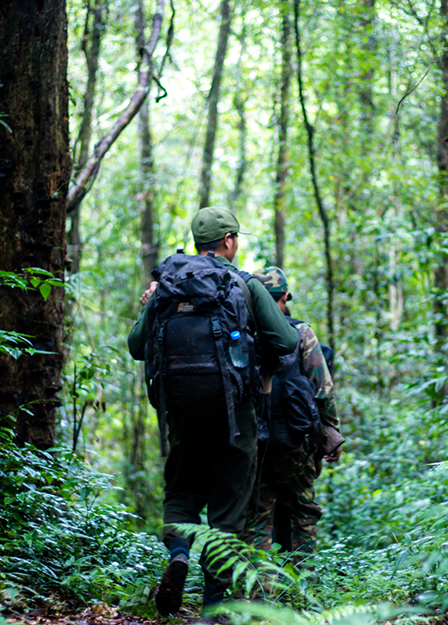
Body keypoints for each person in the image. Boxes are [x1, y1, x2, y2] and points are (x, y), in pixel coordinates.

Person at [127, 207, 298, 616]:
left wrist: (149, 306)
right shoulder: (245, 284)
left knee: (182, 496)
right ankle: (213, 606)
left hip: (181, 415)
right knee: (228, 510)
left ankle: (179, 554)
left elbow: (136, 346)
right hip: (235, 418)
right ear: (228, 241)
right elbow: (287, 341)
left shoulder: (169, 283)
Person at [244, 266, 344, 563]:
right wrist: (332, 435)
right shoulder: (301, 334)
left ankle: (262, 591)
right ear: (285, 296)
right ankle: (304, 588)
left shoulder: (244, 335)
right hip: (296, 442)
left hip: (256, 443)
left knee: (259, 516)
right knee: (303, 513)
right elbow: (322, 389)